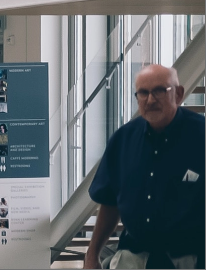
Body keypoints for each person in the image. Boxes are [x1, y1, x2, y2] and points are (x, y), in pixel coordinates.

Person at [84, 64, 202, 269]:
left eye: (159, 91)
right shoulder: (122, 141)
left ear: (179, 94)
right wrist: (92, 255)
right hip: (133, 257)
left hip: (189, 258)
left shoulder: (202, 137)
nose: (150, 100)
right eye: (143, 93)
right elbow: (110, 205)